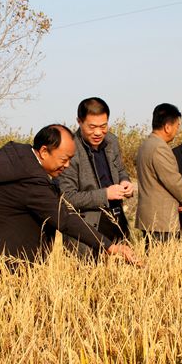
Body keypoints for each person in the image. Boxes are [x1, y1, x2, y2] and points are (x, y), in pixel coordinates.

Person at [0, 124, 137, 284]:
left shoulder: (12, 155)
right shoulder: (32, 182)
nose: (67, 165)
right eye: (64, 159)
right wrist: (110, 247)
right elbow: (64, 219)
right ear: (44, 151)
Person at [58, 97, 134, 259]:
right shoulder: (70, 149)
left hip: (118, 221)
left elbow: (121, 170)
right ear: (79, 122)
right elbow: (67, 198)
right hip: (88, 230)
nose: (98, 132)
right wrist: (105, 194)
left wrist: (125, 181)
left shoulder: (112, 141)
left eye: (103, 126)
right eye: (92, 127)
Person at [135, 103, 182, 249]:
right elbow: (174, 181)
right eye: (177, 126)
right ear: (167, 127)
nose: (177, 130)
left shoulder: (146, 144)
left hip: (150, 217)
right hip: (162, 219)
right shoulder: (160, 148)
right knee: (165, 258)